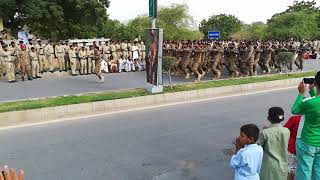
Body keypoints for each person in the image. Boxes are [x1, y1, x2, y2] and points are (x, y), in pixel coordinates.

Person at [291, 73, 320, 180]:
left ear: (315, 83)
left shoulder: (310, 103)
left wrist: (301, 93)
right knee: (318, 172)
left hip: (306, 141)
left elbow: (295, 109)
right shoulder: (312, 103)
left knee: (304, 172)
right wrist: (313, 92)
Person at [257, 107, 290, 180]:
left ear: (269, 118)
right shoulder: (286, 131)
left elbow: (257, 146)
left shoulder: (265, 133)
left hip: (268, 167)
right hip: (283, 165)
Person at [284, 115, 302, 180]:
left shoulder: (294, 119)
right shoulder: (315, 118)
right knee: (304, 169)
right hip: (308, 149)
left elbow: (285, 130)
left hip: (293, 147)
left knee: (291, 169)